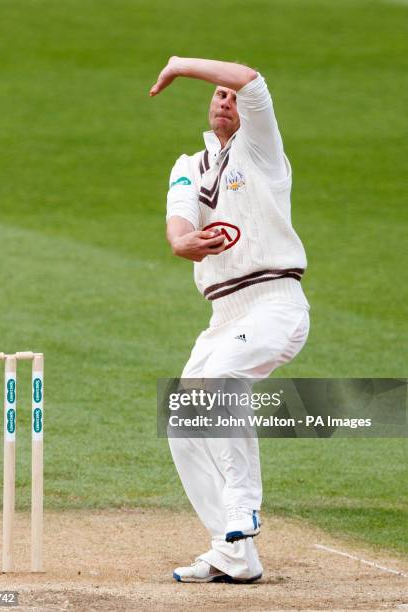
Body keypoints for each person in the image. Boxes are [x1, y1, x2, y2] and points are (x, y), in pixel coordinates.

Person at [150, 57, 310, 583]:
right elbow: (179, 217)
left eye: (231, 95)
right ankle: (232, 552)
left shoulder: (261, 149)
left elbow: (251, 79)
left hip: (274, 302)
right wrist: (181, 242)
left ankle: (243, 506)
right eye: (217, 94)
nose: (225, 99)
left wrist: (179, 64)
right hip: (224, 314)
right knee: (183, 422)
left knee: (221, 382)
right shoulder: (189, 162)